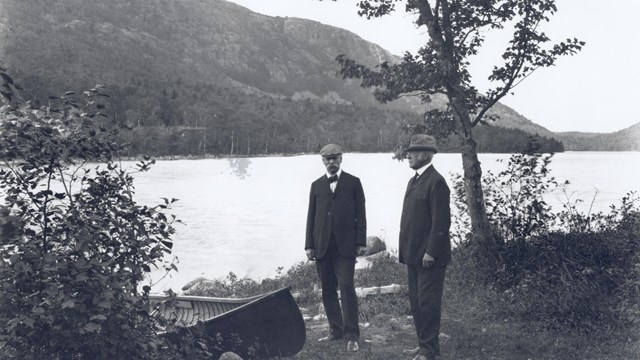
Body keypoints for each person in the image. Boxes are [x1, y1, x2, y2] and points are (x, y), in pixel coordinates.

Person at [305, 143, 367, 352]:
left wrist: (360, 242)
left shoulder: (353, 182)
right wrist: (309, 245)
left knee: (347, 288)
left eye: (334, 158)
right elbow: (311, 217)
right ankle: (335, 330)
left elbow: (361, 215)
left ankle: (352, 336)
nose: (331, 162)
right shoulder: (316, 185)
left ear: (341, 159)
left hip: (345, 247)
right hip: (322, 247)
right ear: (322, 161)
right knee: (327, 290)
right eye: (327, 159)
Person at [398, 134, 451, 360]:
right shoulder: (414, 180)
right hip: (413, 255)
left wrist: (431, 251)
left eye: (412, 152)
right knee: (417, 304)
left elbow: (441, 223)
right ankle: (424, 346)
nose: (407, 155)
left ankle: (428, 351)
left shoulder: (436, 181)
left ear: (424, 154)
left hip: (429, 257)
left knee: (428, 304)